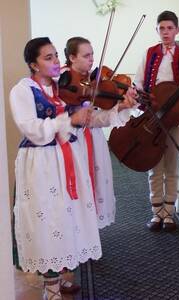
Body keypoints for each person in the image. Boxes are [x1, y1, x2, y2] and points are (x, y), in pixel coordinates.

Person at [10, 37, 136, 300]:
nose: (56, 61)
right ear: (33, 64)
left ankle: (60, 276)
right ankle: (51, 288)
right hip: (41, 164)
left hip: (68, 158)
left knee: (67, 219)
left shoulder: (65, 88)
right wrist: (68, 118)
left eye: (56, 55)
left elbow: (90, 120)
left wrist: (121, 107)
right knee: (48, 220)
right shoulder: (22, 90)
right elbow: (32, 130)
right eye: (48, 58)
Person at [133, 10, 179, 232]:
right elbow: (138, 83)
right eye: (161, 28)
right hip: (153, 118)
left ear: (177, 30)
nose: (165, 32)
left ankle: (169, 213)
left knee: (172, 165)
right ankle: (156, 213)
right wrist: (144, 101)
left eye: (169, 28)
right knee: (154, 165)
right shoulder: (149, 54)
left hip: (175, 118)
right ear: (157, 30)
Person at [63, 36, 138, 229]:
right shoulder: (63, 82)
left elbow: (98, 119)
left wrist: (121, 106)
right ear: (72, 57)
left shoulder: (93, 81)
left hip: (94, 141)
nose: (92, 59)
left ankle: (90, 232)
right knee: (76, 186)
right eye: (86, 55)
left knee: (96, 185)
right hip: (71, 142)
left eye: (93, 54)